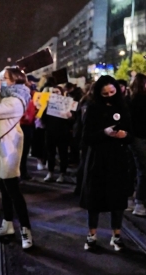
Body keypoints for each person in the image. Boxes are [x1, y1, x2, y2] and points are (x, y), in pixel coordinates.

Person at [80, 75, 132, 251]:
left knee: (117, 199)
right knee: (94, 199)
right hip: (98, 159)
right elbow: (86, 137)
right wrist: (104, 133)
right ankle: (91, 235)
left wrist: (125, 136)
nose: (110, 95)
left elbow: (132, 132)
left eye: (112, 92)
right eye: (105, 93)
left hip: (118, 159)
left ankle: (116, 236)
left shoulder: (123, 107)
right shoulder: (93, 109)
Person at [0, 67, 33, 249]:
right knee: (3, 190)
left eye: (5, 78)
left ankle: (26, 231)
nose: (0, 81)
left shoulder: (16, 101)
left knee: (14, 193)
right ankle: (7, 225)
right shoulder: (6, 97)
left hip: (8, 150)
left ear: (15, 81)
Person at [42, 86, 72, 182]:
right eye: (53, 92)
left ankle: (62, 174)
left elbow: (73, 121)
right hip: (50, 132)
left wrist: (70, 116)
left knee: (63, 154)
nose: (55, 94)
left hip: (63, 133)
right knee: (51, 154)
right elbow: (43, 119)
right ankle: (50, 173)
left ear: (62, 93)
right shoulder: (48, 105)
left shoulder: (68, 105)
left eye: (57, 92)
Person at [129, 73, 146, 216]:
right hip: (139, 138)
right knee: (143, 170)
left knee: (140, 169)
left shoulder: (131, 99)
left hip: (135, 138)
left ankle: (138, 201)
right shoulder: (139, 100)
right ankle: (139, 203)